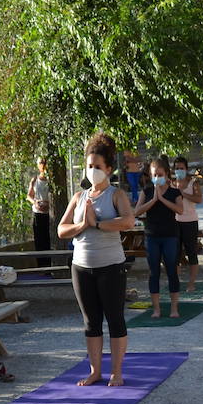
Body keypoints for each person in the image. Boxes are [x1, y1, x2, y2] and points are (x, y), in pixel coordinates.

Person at [58, 133, 136, 385]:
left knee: (114, 318)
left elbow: (128, 221)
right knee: (90, 321)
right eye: (89, 166)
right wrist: (82, 225)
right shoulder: (79, 197)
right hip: (81, 266)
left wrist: (99, 224)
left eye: (98, 167)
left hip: (110, 266)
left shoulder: (116, 195)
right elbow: (61, 229)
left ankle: (116, 372)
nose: (92, 171)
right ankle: (95, 371)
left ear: (109, 169)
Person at [134, 156, 184, 318]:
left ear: (167, 174)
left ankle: (174, 308)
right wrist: (154, 200)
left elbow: (180, 210)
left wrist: (162, 198)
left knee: (171, 271)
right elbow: (137, 211)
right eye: (154, 174)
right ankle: (156, 309)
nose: (157, 177)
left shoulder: (174, 192)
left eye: (160, 174)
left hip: (170, 235)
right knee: (153, 272)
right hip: (152, 236)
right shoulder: (147, 191)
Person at [173, 155, 203, 292]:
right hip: (175, 222)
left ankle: (191, 283)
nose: (179, 170)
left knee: (191, 253)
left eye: (181, 168)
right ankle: (176, 282)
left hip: (190, 222)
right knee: (175, 254)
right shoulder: (171, 184)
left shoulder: (193, 183)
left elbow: (199, 199)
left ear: (186, 169)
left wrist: (183, 194)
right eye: (177, 168)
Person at [25, 156, 53, 254]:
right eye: (40, 163)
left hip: (48, 214)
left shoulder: (51, 181)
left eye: (44, 162)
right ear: (38, 165)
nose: (43, 165)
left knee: (48, 240)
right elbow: (29, 195)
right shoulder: (35, 180)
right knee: (39, 241)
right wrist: (35, 202)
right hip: (37, 213)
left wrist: (49, 204)